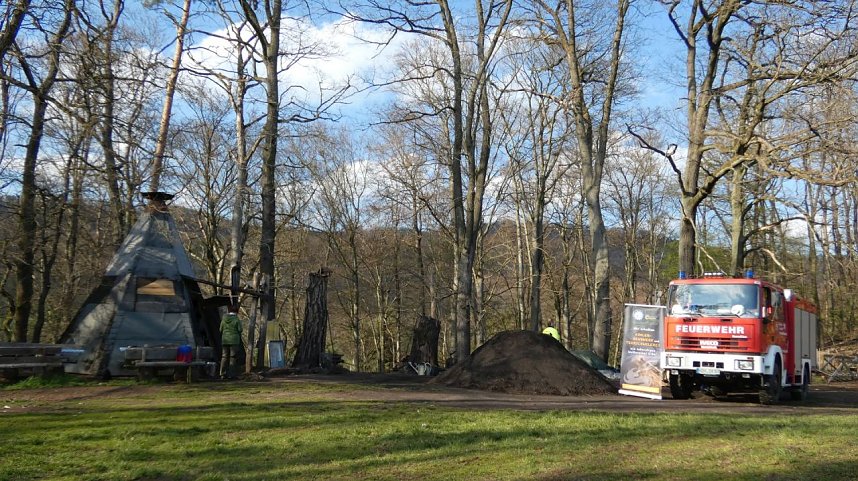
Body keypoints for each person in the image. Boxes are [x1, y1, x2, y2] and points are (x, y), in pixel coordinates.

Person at [219, 304, 242, 379]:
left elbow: (220, 329)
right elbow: (240, 329)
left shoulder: (224, 319)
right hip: (234, 340)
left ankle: (222, 374)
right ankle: (231, 374)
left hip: (225, 340)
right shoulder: (236, 319)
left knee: (224, 357)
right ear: (236, 312)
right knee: (233, 357)